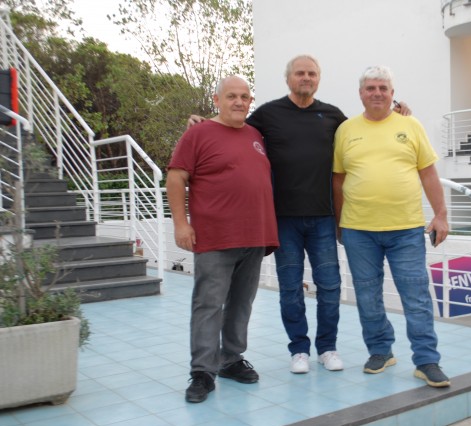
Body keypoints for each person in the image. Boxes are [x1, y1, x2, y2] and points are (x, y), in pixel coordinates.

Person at [188, 55, 410, 375]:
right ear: (288, 78)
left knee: (330, 286)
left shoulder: (333, 116)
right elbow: (232, 123)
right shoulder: (268, 114)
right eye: (300, 73)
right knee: (291, 289)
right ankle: (299, 350)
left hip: (323, 218)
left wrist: (395, 115)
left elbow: (365, 129)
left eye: (312, 73)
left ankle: (327, 347)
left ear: (318, 79)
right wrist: (204, 121)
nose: (306, 77)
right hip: (283, 220)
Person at [332, 65, 451, 388]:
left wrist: (441, 214)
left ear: (392, 94)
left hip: (406, 229)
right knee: (367, 296)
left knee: (416, 297)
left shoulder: (410, 125)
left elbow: (428, 173)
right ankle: (380, 351)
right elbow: (338, 179)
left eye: (383, 88)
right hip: (358, 230)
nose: (377, 93)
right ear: (361, 93)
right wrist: (339, 222)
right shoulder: (345, 130)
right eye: (371, 88)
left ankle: (426, 360)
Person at [167, 75, 279, 403]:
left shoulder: (255, 135)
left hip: (254, 234)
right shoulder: (197, 134)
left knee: (242, 303)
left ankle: (230, 359)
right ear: (217, 100)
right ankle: (202, 371)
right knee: (208, 304)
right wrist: (181, 224)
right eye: (232, 96)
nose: (239, 102)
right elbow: (176, 178)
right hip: (215, 236)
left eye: (245, 96)